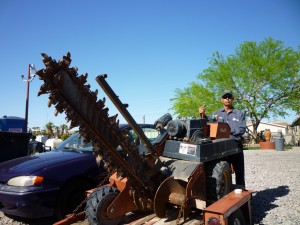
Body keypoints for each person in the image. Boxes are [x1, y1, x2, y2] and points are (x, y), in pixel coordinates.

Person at [199, 90, 246, 188]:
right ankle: (227, 194)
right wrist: (202, 114)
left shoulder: (239, 114)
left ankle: (242, 197)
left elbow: (241, 129)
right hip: (221, 149)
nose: (227, 99)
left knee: (239, 173)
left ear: (232, 99)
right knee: (224, 173)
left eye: (229, 97)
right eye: (225, 97)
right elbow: (206, 125)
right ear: (221, 100)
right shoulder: (216, 114)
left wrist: (226, 130)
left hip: (236, 147)